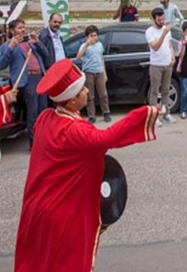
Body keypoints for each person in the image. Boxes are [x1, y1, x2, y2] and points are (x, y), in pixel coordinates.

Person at [15, 59, 159, 272]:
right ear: (72, 99)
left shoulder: (45, 118)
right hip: (62, 214)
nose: (87, 92)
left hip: (36, 210)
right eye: (82, 89)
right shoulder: (76, 131)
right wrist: (144, 115)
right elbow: (106, 138)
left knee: (38, 263)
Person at [0, 19, 48, 146]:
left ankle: (44, 139)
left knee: (43, 110)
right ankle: (34, 143)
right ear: (12, 30)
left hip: (40, 77)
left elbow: (46, 54)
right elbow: (2, 64)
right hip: (27, 80)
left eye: (23, 27)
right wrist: (11, 47)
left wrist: (38, 43)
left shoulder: (31, 43)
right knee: (33, 111)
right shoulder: (6, 46)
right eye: (20, 27)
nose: (23, 30)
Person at [146, 7, 176, 126]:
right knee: (154, 91)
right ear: (154, 19)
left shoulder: (166, 30)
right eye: (159, 20)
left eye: (162, 19)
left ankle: (166, 113)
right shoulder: (150, 31)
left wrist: (173, 57)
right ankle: (154, 117)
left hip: (167, 64)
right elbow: (155, 47)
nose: (161, 21)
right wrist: (163, 33)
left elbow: (169, 45)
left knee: (165, 90)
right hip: (156, 65)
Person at [76, 25, 110, 124]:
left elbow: (101, 58)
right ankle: (92, 115)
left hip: (99, 71)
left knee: (103, 94)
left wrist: (104, 73)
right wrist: (86, 45)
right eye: (92, 35)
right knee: (90, 96)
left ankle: (106, 112)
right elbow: (78, 57)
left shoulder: (99, 45)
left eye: (95, 35)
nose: (94, 37)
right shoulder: (84, 45)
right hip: (89, 72)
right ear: (87, 36)